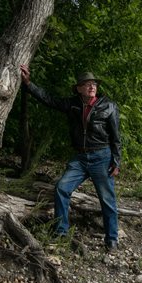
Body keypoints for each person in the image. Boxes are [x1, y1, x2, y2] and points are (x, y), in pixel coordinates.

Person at [20, 64, 121, 251]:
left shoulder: (109, 106)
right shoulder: (73, 104)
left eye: (94, 84)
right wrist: (28, 84)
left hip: (102, 156)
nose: (92, 87)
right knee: (61, 188)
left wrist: (116, 161)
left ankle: (112, 239)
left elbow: (116, 137)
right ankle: (61, 232)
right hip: (80, 158)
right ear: (79, 88)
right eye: (87, 84)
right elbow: (49, 99)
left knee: (107, 199)